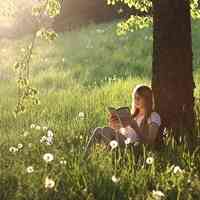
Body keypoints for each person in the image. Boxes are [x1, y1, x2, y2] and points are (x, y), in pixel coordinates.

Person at [84, 84, 162, 158]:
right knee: (99, 130)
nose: (135, 101)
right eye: (134, 98)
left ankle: (110, 158)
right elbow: (122, 133)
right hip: (124, 141)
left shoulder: (153, 116)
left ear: (146, 99)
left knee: (106, 130)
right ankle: (84, 158)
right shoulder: (133, 115)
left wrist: (134, 126)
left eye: (138, 98)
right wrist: (114, 125)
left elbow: (150, 141)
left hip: (133, 146)